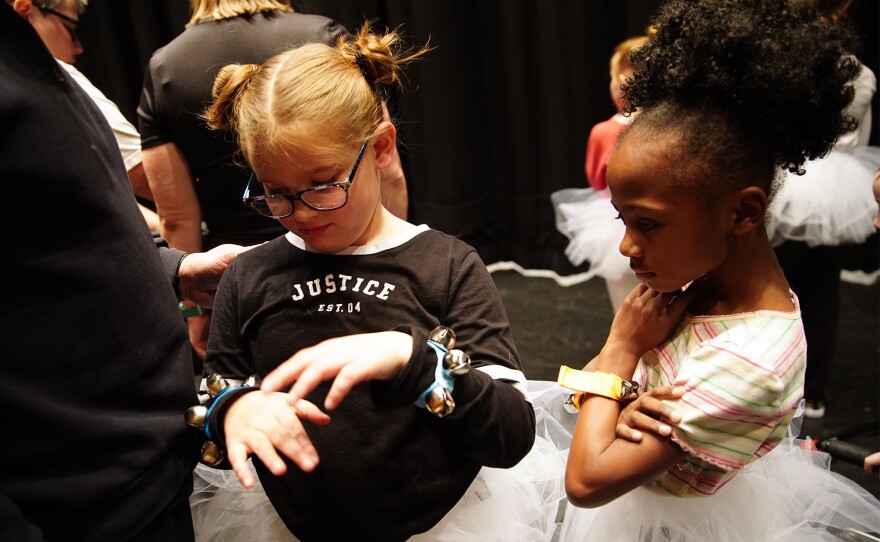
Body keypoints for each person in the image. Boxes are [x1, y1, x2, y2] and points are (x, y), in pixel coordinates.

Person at [186, 21, 569, 542]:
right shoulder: (249, 276)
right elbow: (213, 402)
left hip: (440, 525)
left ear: (382, 148)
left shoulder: (447, 264)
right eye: (276, 192)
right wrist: (235, 409)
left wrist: (415, 362)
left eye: (322, 184)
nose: (298, 212)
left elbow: (511, 436)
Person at [553, 0, 880, 539]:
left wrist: (619, 352)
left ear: (743, 213)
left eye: (649, 225)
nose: (627, 247)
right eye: (623, 219)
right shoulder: (704, 289)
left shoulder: (749, 363)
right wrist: (624, 399)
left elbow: (587, 481)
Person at [0, 4, 249, 541]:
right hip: (82, 505)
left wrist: (175, 269)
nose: (81, 41)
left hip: (158, 464)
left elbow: (63, 232)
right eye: (70, 22)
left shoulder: (34, 63)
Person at [137, 0, 413, 363]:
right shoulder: (322, 34)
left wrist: (197, 310)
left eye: (322, 181)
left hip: (247, 285)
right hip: (354, 270)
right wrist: (399, 266)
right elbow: (388, 172)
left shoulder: (165, 68)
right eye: (275, 190)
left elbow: (178, 218)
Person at [767, 0, 880, 419]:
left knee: (775, 285)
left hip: (790, 179)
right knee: (822, 291)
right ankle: (812, 393)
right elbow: (855, 137)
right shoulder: (858, 72)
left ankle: (776, 383)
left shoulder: (784, 57)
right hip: (837, 185)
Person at [10, 0, 160, 232]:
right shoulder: (52, 75)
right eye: (70, 28)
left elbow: (82, 194)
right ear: (24, 10)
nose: (79, 47)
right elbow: (144, 174)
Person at [551, 34, 648, 313]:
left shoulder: (605, 131)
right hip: (666, 218)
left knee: (626, 299)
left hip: (618, 222)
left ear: (620, 84)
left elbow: (596, 179)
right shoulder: (674, 125)